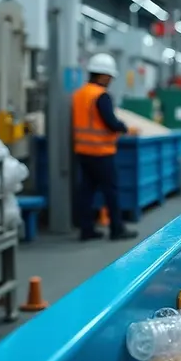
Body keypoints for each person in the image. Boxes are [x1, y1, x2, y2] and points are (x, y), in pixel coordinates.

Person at [72, 53, 139, 242]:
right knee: (111, 191)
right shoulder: (101, 95)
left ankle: (86, 230)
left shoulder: (79, 94)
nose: (110, 81)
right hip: (101, 152)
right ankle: (116, 229)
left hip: (83, 151)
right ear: (102, 76)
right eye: (109, 77)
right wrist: (125, 128)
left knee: (86, 191)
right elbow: (110, 122)